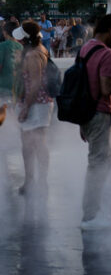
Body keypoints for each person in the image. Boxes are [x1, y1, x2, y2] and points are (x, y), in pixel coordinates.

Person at [78, 14, 111, 231]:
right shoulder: (107, 54)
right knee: (98, 164)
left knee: (103, 161)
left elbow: (82, 85)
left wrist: (81, 122)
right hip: (100, 112)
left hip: (87, 112)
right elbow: (106, 89)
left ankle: (95, 209)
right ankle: (90, 216)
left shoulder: (86, 48)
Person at [13, 21, 53, 204]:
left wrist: (26, 108)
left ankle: (36, 181)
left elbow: (35, 82)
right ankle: (34, 181)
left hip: (36, 103)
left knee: (34, 143)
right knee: (34, 143)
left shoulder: (33, 55)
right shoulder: (40, 50)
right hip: (40, 102)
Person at [0, 20, 21, 103]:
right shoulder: (20, 47)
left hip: (3, 86)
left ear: (5, 32)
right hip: (16, 86)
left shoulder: (2, 46)